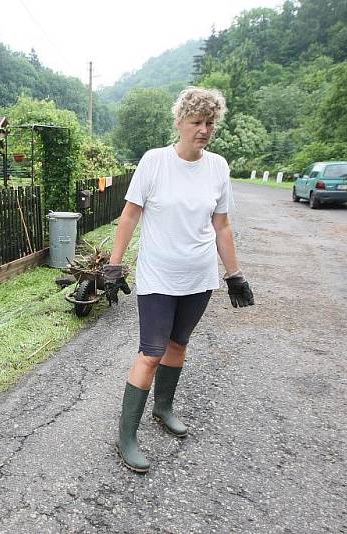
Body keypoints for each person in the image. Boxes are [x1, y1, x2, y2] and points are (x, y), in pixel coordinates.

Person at [104, 86, 255, 473]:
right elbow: (129, 216)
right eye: (196, 122)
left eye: (210, 123)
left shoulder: (218, 167)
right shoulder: (154, 162)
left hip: (199, 278)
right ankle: (126, 437)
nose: (204, 130)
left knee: (177, 344)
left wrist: (234, 274)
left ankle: (164, 408)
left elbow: (221, 225)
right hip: (158, 277)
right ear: (180, 123)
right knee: (151, 353)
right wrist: (114, 264)